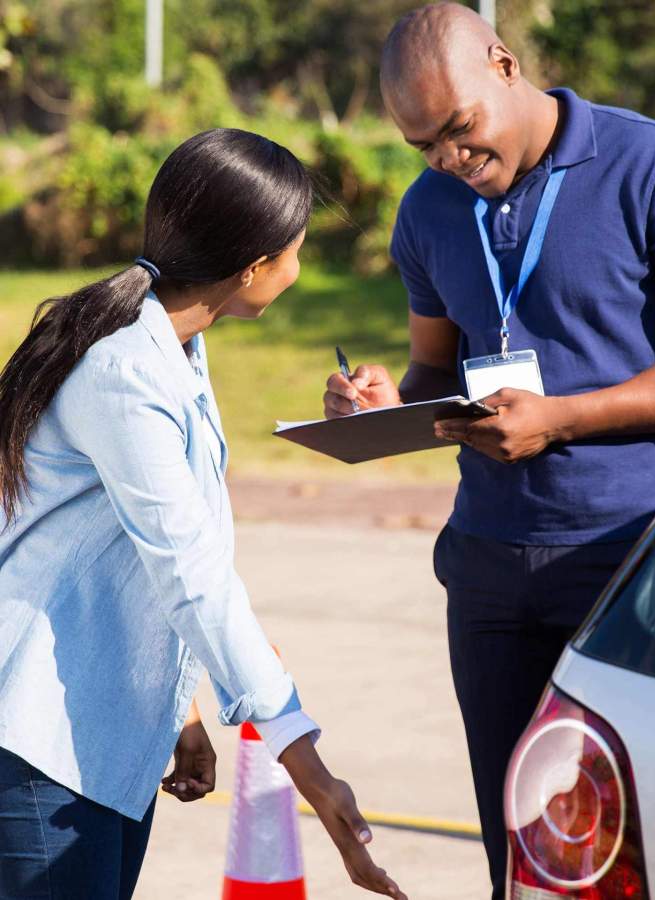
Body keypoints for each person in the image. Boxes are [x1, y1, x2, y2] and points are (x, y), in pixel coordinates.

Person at [323, 4, 655, 897]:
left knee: (625, 851)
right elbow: (434, 370)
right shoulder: (429, 210)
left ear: (504, 65)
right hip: (489, 571)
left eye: (459, 130)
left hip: (630, 562)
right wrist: (380, 404)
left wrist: (564, 417)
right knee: (518, 850)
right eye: (424, 146)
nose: (450, 161)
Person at [0, 128, 406, 900]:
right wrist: (310, 769)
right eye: (295, 250)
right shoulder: (125, 370)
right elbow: (194, 576)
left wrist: (181, 710)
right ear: (253, 268)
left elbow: (145, 551)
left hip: (105, 734)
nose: (297, 266)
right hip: (40, 747)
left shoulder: (175, 343)